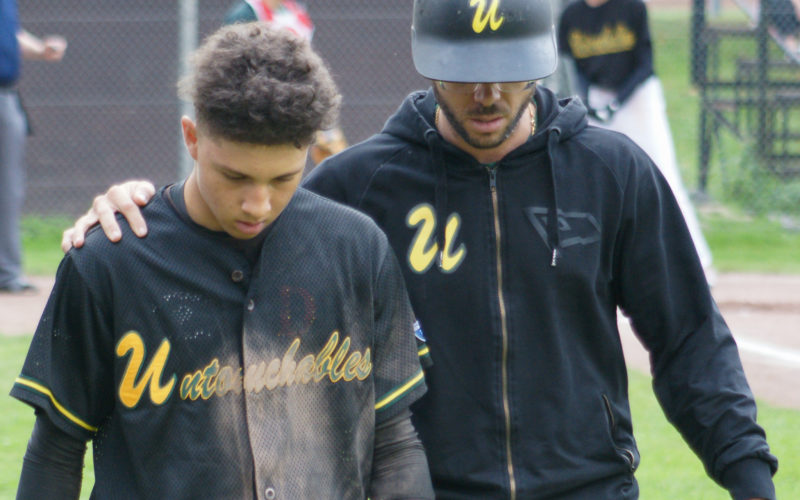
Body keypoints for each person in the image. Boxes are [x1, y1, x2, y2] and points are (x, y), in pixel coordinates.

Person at [61, 0, 779, 498]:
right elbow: (220, 238)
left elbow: (689, 338)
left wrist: (750, 480)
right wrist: (134, 209)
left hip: (590, 488)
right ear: (429, 61)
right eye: (465, 71)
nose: (488, 92)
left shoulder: (612, 173)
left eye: (508, 69)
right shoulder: (356, 187)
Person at [12, 22, 434, 499]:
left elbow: (395, 441)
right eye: (235, 177)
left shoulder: (358, 249)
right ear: (192, 137)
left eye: (283, 178)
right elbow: (56, 451)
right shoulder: (110, 261)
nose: (258, 204)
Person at [557, 0, 716, 284]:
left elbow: (645, 65)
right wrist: (589, 99)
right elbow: (575, 68)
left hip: (639, 96)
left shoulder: (631, 7)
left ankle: (698, 266)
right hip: (597, 96)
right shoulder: (572, 15)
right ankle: (594, 272)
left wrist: (617, 103)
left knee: (664, 177)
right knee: (591, 183)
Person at [224, 0, 348, 167]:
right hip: (263, 105)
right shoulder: (248, 13)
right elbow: (233, 66)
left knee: (329, 153)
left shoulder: (292, 10)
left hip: (298, 98)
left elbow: (308, 59)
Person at [0, 0, 66, 294]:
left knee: (8, 189)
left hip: (6, 95)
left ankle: (6, 272)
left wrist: (40, 49)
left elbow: (9, 34)